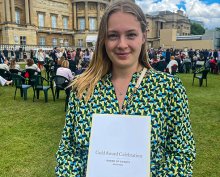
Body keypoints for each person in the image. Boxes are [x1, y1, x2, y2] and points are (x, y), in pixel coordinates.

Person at [55, 1, 196, 177]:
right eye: (113, 35)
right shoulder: (82, 88)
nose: (122, 44)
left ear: (143, 36)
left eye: (131, 35)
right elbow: (68, 151)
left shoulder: (169, 88)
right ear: (104, 39)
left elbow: (181, 153)